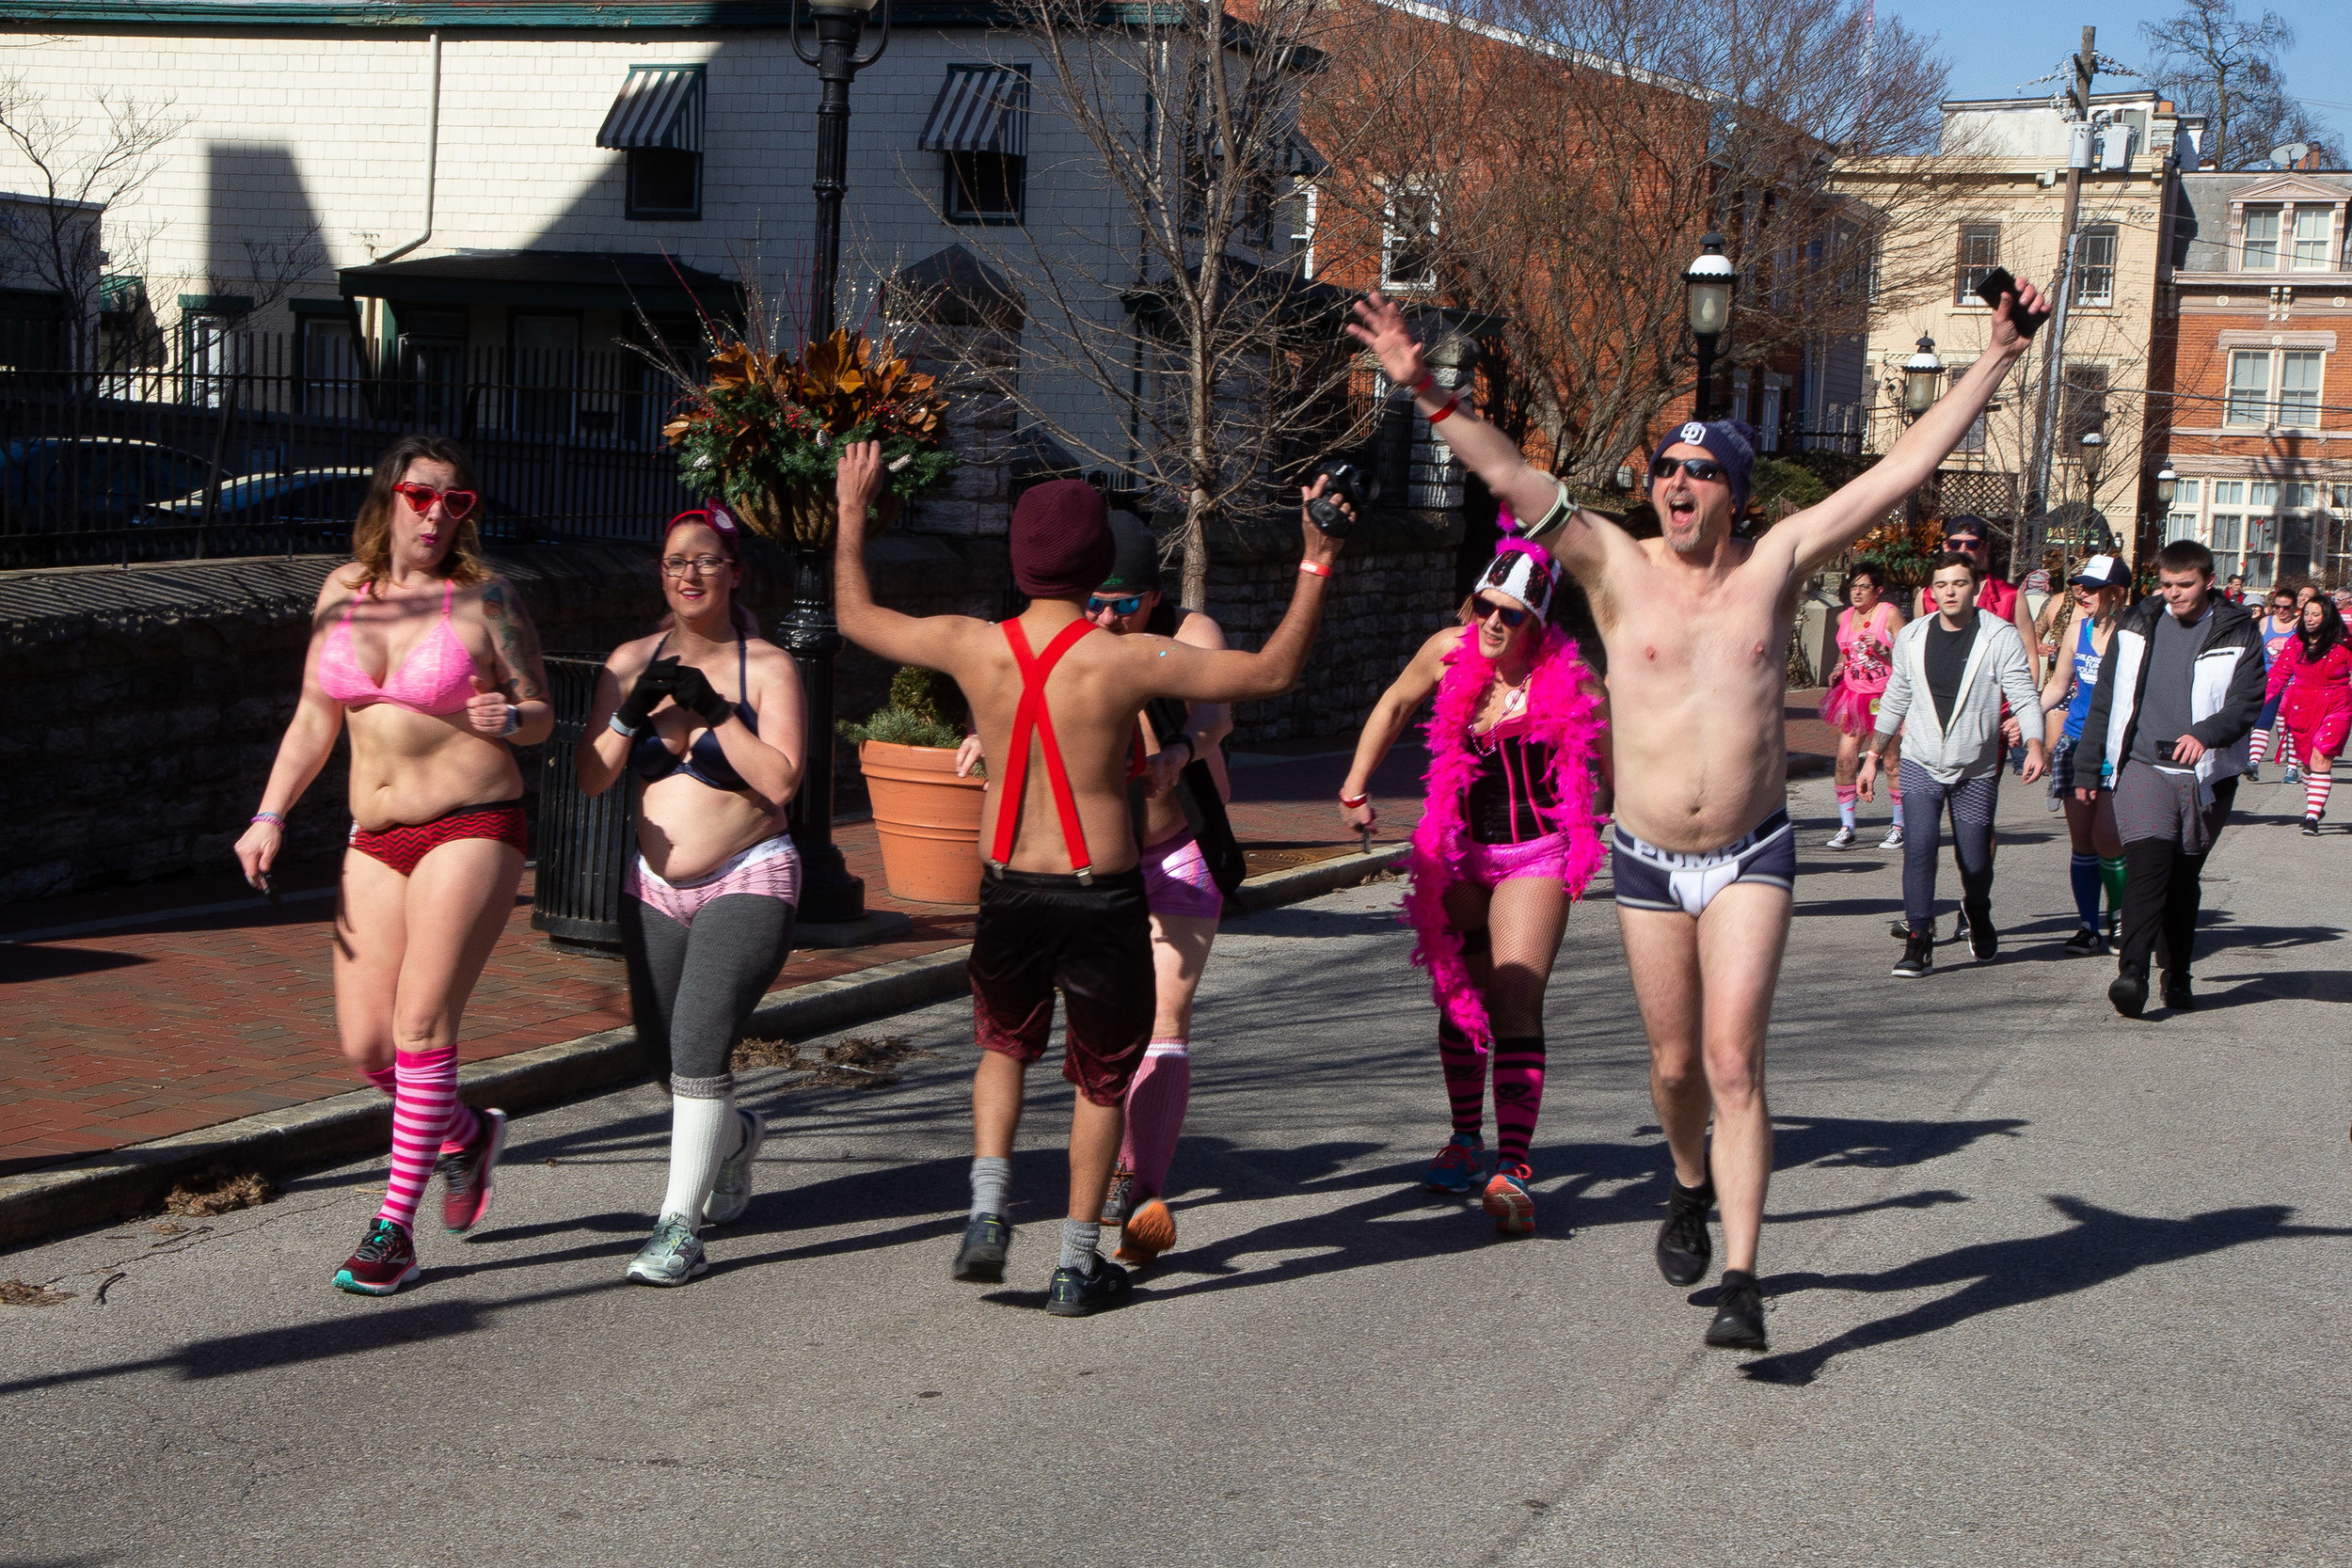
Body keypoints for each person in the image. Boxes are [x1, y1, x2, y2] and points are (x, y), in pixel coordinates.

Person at [1345, 273, 2050, 1351]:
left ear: (1737, 492)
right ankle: (1686, 1180)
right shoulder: (1614, 567)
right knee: (1674, 1068)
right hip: (1644, 858)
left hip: (1753, 850)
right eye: (1665, 468)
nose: (1675, 482)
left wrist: (1999, 356)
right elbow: (1517, 477)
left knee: (1732, 1061)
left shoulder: (1776, 564)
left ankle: (1742, 1276)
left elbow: (1905, 465)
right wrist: (1426, 393)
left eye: (1699, 471)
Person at [831, 443, 1348, 1316]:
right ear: (1097, 563)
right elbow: (1271, 673)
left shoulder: (971, 644)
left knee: (1002, 1046)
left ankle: (989, 1208)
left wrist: (852, 513)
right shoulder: (1125, 659)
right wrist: (1316, 558)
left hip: (1007, 886)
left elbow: (854, 614)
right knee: (1101, 1077)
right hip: (1098, 890)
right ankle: (1075, 1264)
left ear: (1016, 560)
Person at [233, 435, 552, 1296]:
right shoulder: (344, 592)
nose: (438, 514)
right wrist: (270, 815)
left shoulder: (487, 599)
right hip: (374, 836)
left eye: (457, 502)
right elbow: (313, 718)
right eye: (421, 496)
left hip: (473, 823)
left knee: (420, 1025)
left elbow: (541, 716)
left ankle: (393, 1229)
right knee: (366, 1042)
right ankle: (467, 1133)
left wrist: (507, 714)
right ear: (389, 499)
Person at [955, 515, 1243, 1270]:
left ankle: (1140, 1189)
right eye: (1097, 602)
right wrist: (993, 735)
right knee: (1056, 1040)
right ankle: (1100, 1186)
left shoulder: (1185, 636)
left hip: (1176, 850)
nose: (1107, 617)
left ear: (1155, 596)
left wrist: (1182, 745)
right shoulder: (1062, 639)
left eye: (1125, 603)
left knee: (1166, 1017)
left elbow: (1218, 709)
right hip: (1087, 877)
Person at [1338, 537, 1610, 1236]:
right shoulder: (1447, 651)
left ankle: (1512, 1165)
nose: (1491, 622)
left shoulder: (1572, 681)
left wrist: (1621, 823)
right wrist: (1355, 783)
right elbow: (1396, 704)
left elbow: (1616, 762)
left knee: (1515, 991)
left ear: (1537, 622)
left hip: (1536, 852)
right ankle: (1464, 1138)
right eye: (1484, 606)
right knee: (1463, 996)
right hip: (1458, 854)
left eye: (1509, 614)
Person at [576, 506, 806, 1286]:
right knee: (663, 1057)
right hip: (652, 890)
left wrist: (714, 710)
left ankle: (678, 1228)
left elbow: (780, 780)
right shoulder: (629, 657)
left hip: (749, 874)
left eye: (707, 561)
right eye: (676, 561)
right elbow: (591, 775)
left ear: (734, 572)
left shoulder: (768, 666)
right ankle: (736, 1137)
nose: (690, 574)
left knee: (700, 1042)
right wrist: (628, 710)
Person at [2074, 539, 2266, 1018]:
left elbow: (2246, 703)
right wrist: (2087, 764)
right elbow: (2106, 700)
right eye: (2166, 584)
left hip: (2206, 773)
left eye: (2185, 585)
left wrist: (2205, 733)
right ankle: (2132, 973)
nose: (2174, 594)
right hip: (2142, 764)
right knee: (2148, 864)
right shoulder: (2136, 623)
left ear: (2208, 582)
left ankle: (2177, 972)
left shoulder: (2238, 630)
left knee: (2182, 877)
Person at [1859, 553, 2046, 978]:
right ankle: (1919, 938)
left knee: (1975, 859)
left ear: (1976, 588)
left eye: (1959, 583)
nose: (1949, 591)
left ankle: (1977, 910)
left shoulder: (1999, 636)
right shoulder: (1912, 637)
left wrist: (2035, 744)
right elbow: (1896, 698)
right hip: (1920, 760)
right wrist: (1872, 758)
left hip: (1974, 768)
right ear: (1931, 591)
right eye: (1941, 584)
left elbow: (2022, 694)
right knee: (1919, 848)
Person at [2036, 555, 2133, 953]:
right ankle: (2088, 926)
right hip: (2076, 742)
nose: (2083, 592)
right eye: (2080, 585)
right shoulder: (2078, 629)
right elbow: (2060, 684)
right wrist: (2027, 718)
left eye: (2092, 587)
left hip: (2117, 747)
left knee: (2108, 836)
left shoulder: (2135, 633)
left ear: (2117, 592)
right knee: (2083, 841)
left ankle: (2121, 918)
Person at [1819, 561, 1906, 850]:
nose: (1856, 592)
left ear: (1877, 590)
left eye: (1863, 586)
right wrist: (1838, 667)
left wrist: (1883, 649)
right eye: (1853, 586)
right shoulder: (1844, 617)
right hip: (1854, 696)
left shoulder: (1888, 614)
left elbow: (1909, 656)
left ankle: (1899, 825)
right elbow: (1846, 653)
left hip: (1885, 697)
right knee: (1845, 760)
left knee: (1891, 762)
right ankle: (1847, 826)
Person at [2264, 594, 2350, 834]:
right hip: (2302, 707)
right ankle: (2315, 801)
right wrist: (2255, 703)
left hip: (2337, 706)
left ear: (2327, 617)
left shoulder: (2344, 644)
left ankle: (2311, 817)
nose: (2310, 619)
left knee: (2321, 756)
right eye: (2307, 614)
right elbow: (2278, 676)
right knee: (2307, 763)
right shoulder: (2295, 644)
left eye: (2316, 614)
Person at [2246, 586, 2302, 784]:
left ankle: (2292, 769)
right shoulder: (2265, 622)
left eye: (2286, 607)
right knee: (2261, 723)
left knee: (2291, 727)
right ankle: (2253, 764)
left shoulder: (2300, 625)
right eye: (2277, 606)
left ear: (2295, 608)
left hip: (2294, 684)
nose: (2281, 611)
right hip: (2269, 682)